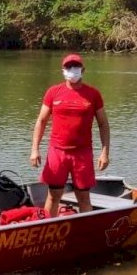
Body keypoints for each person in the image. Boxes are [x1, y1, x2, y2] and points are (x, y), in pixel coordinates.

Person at [30, 53, 110, 217]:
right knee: (53, 195)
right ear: (63, 70)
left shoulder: (93, 94)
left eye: (76, 66)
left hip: (82, 153)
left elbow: (103, 124)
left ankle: (85, 232)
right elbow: (41, 121)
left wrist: (104, 152)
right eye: (68, 67)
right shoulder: (53, 92)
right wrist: (35, 149)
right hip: (57, 152)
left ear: (83, 70)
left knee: (83, 197)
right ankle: (48, 230)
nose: (72, 70)